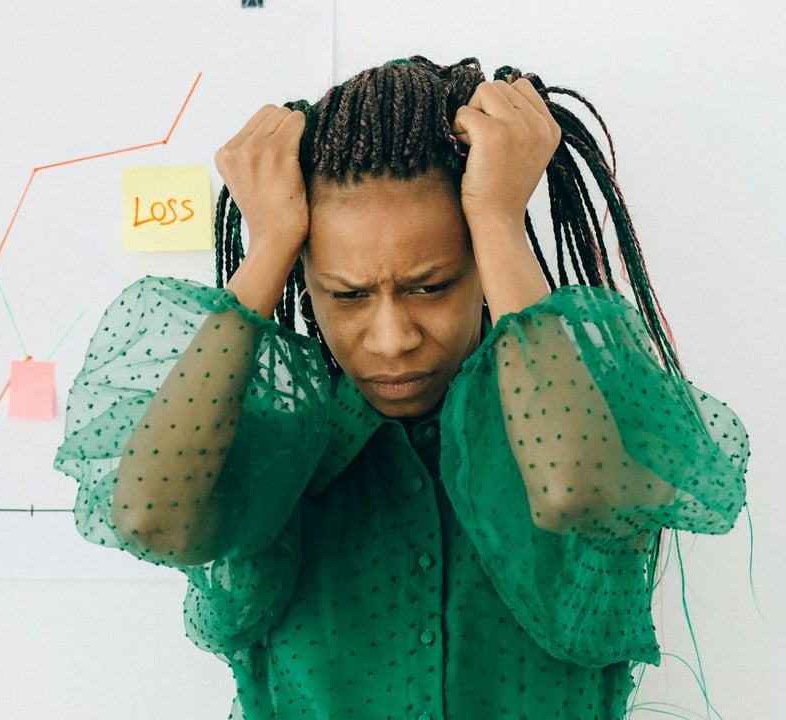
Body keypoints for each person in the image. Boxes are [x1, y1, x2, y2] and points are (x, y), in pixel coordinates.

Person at [54, 57, 748, 720]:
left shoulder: (584, 420)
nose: (390, 338)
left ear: (482, 263)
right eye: (348, 295)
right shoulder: (278, 454)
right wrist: (271, 241)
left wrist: (500, 218)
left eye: (430, 286)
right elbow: (148, 513)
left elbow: (575, 487)